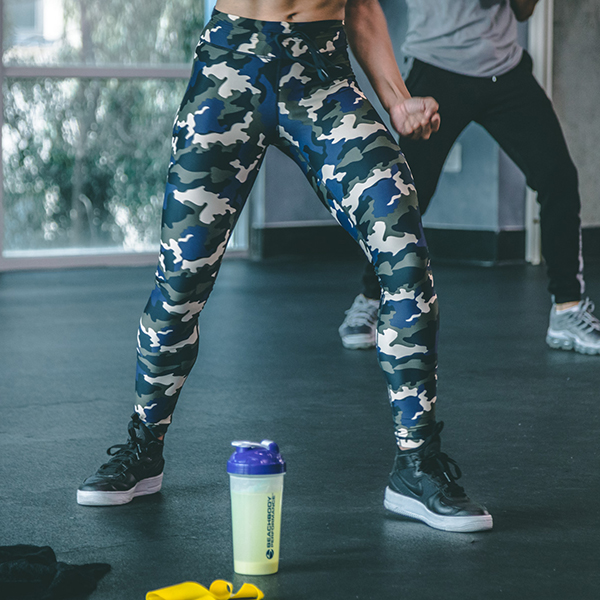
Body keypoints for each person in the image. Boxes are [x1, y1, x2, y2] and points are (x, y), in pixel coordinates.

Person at [77, 0, 493, 533]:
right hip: (230, 66)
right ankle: (142, 449)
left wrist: (398, 101)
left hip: (323, 76)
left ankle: (416, 465)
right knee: (182, 280)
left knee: (405, 253)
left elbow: (362, 6)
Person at [339, 0, 600, 355]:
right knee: (405, 193)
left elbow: (522, 11)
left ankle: (568, 309)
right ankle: (371, 296)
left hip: (505, 71)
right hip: (437, 69)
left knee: (559, 179)